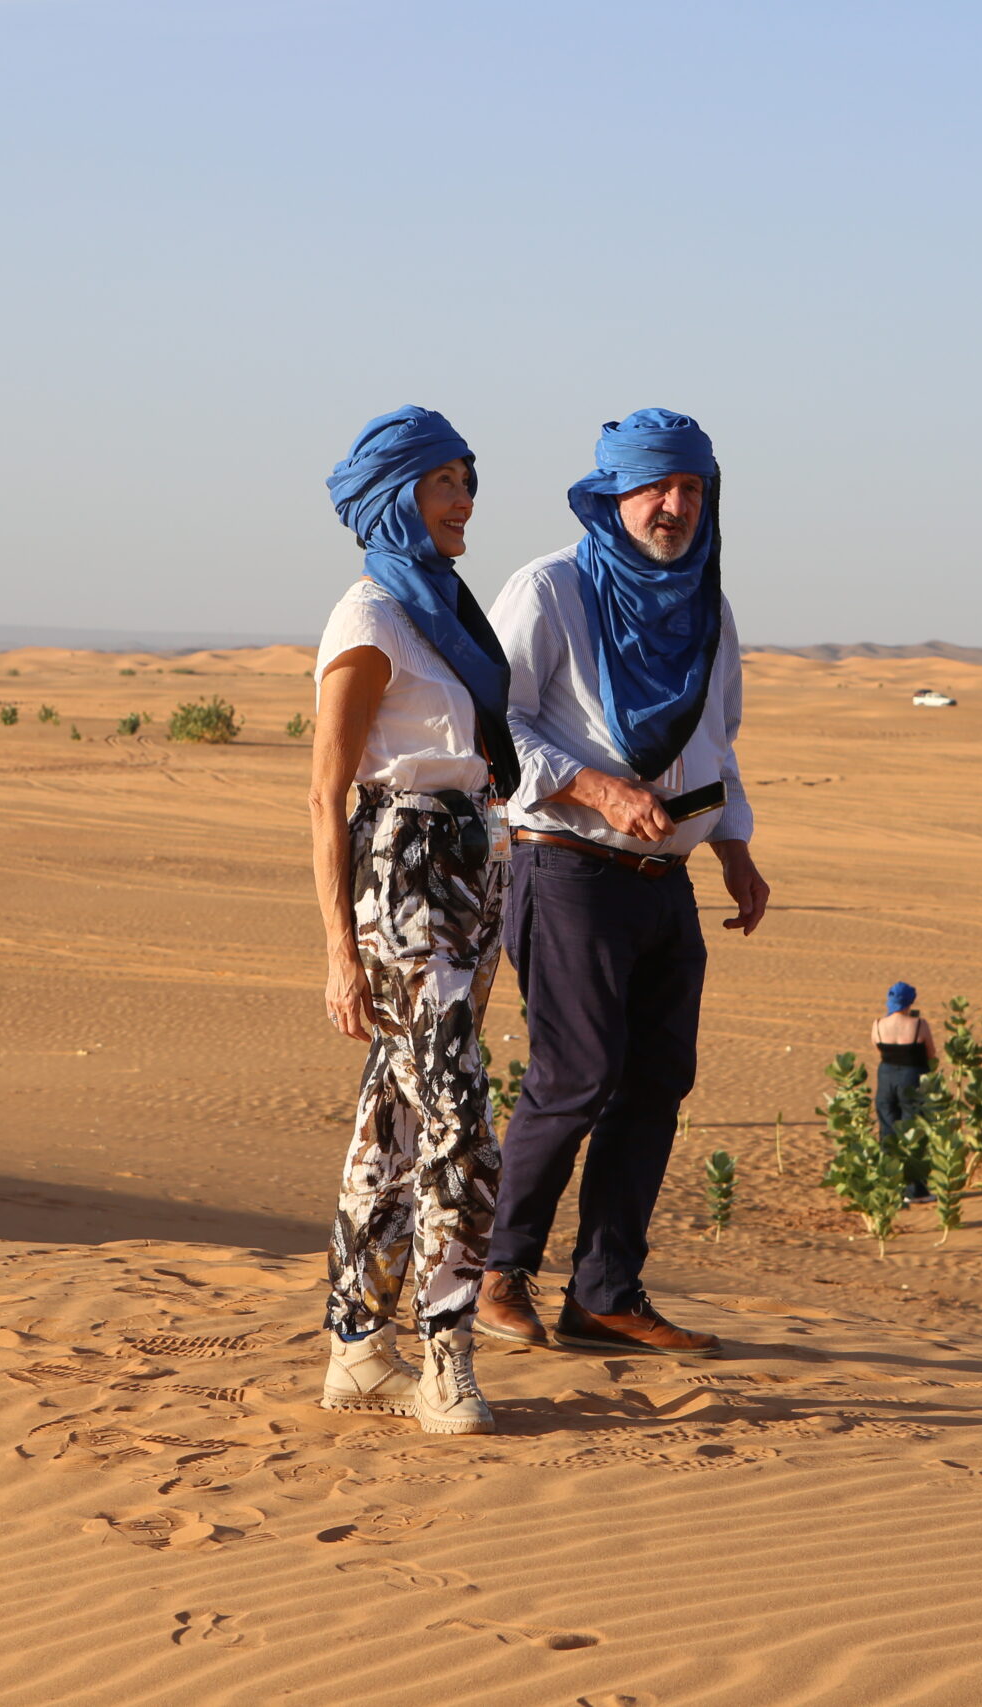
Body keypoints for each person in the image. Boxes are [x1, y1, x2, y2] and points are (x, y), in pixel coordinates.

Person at [473, 409, 770, 1360]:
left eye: (691, 489)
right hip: (569, 865)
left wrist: (734, 847)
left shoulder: (708, 605)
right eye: (656, 487)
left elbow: (716, 743)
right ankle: (497, 1273)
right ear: (613, 493)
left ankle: (604, 1293)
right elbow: (495, 725)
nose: (674, 506)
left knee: (656, 1081)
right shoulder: (550, 588)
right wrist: (596, 786)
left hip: (664, 879)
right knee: (576, 1073)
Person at [308, 405, 522, 1434]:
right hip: (403, 874)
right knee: (461, 1120)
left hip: (472, 869)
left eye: (468, 481)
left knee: (394, 1114)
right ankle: (447, 1358)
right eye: (445, 482)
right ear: (398, 496)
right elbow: (325, 794)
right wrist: (338, 954)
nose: (464, 500)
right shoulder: (369, 620)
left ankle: (357, 1348)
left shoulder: (443, 609)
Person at [871, 981, 938, 1202]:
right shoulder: (919, 1024)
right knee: (913, 1132)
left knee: (887, 1131)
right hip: (912, 1079)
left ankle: (891, 1188)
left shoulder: (878, 1024)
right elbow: (931, 1054)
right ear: (910, 1002)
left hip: (886, 1079)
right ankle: (916, 1190)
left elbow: (878, 1048)